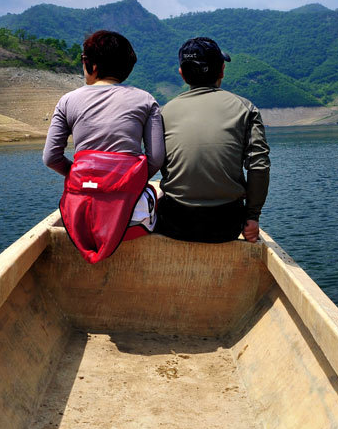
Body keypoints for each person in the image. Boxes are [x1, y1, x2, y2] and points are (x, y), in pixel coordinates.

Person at [43, 30, 164, 262]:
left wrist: (83, 175)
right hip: (131, 222)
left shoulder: (68, 101)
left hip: (81, 220)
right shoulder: (146, 100)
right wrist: (128, 178)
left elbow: (51, 158)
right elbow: (156, 158)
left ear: (92, 65)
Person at [157, 37, 270, 243]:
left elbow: (155, 161)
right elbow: (259, 165)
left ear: (182, 74)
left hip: (175, 223)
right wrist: (252, 217)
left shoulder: (163, 113)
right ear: (222, 70)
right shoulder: (246, 108)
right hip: (226, 225)